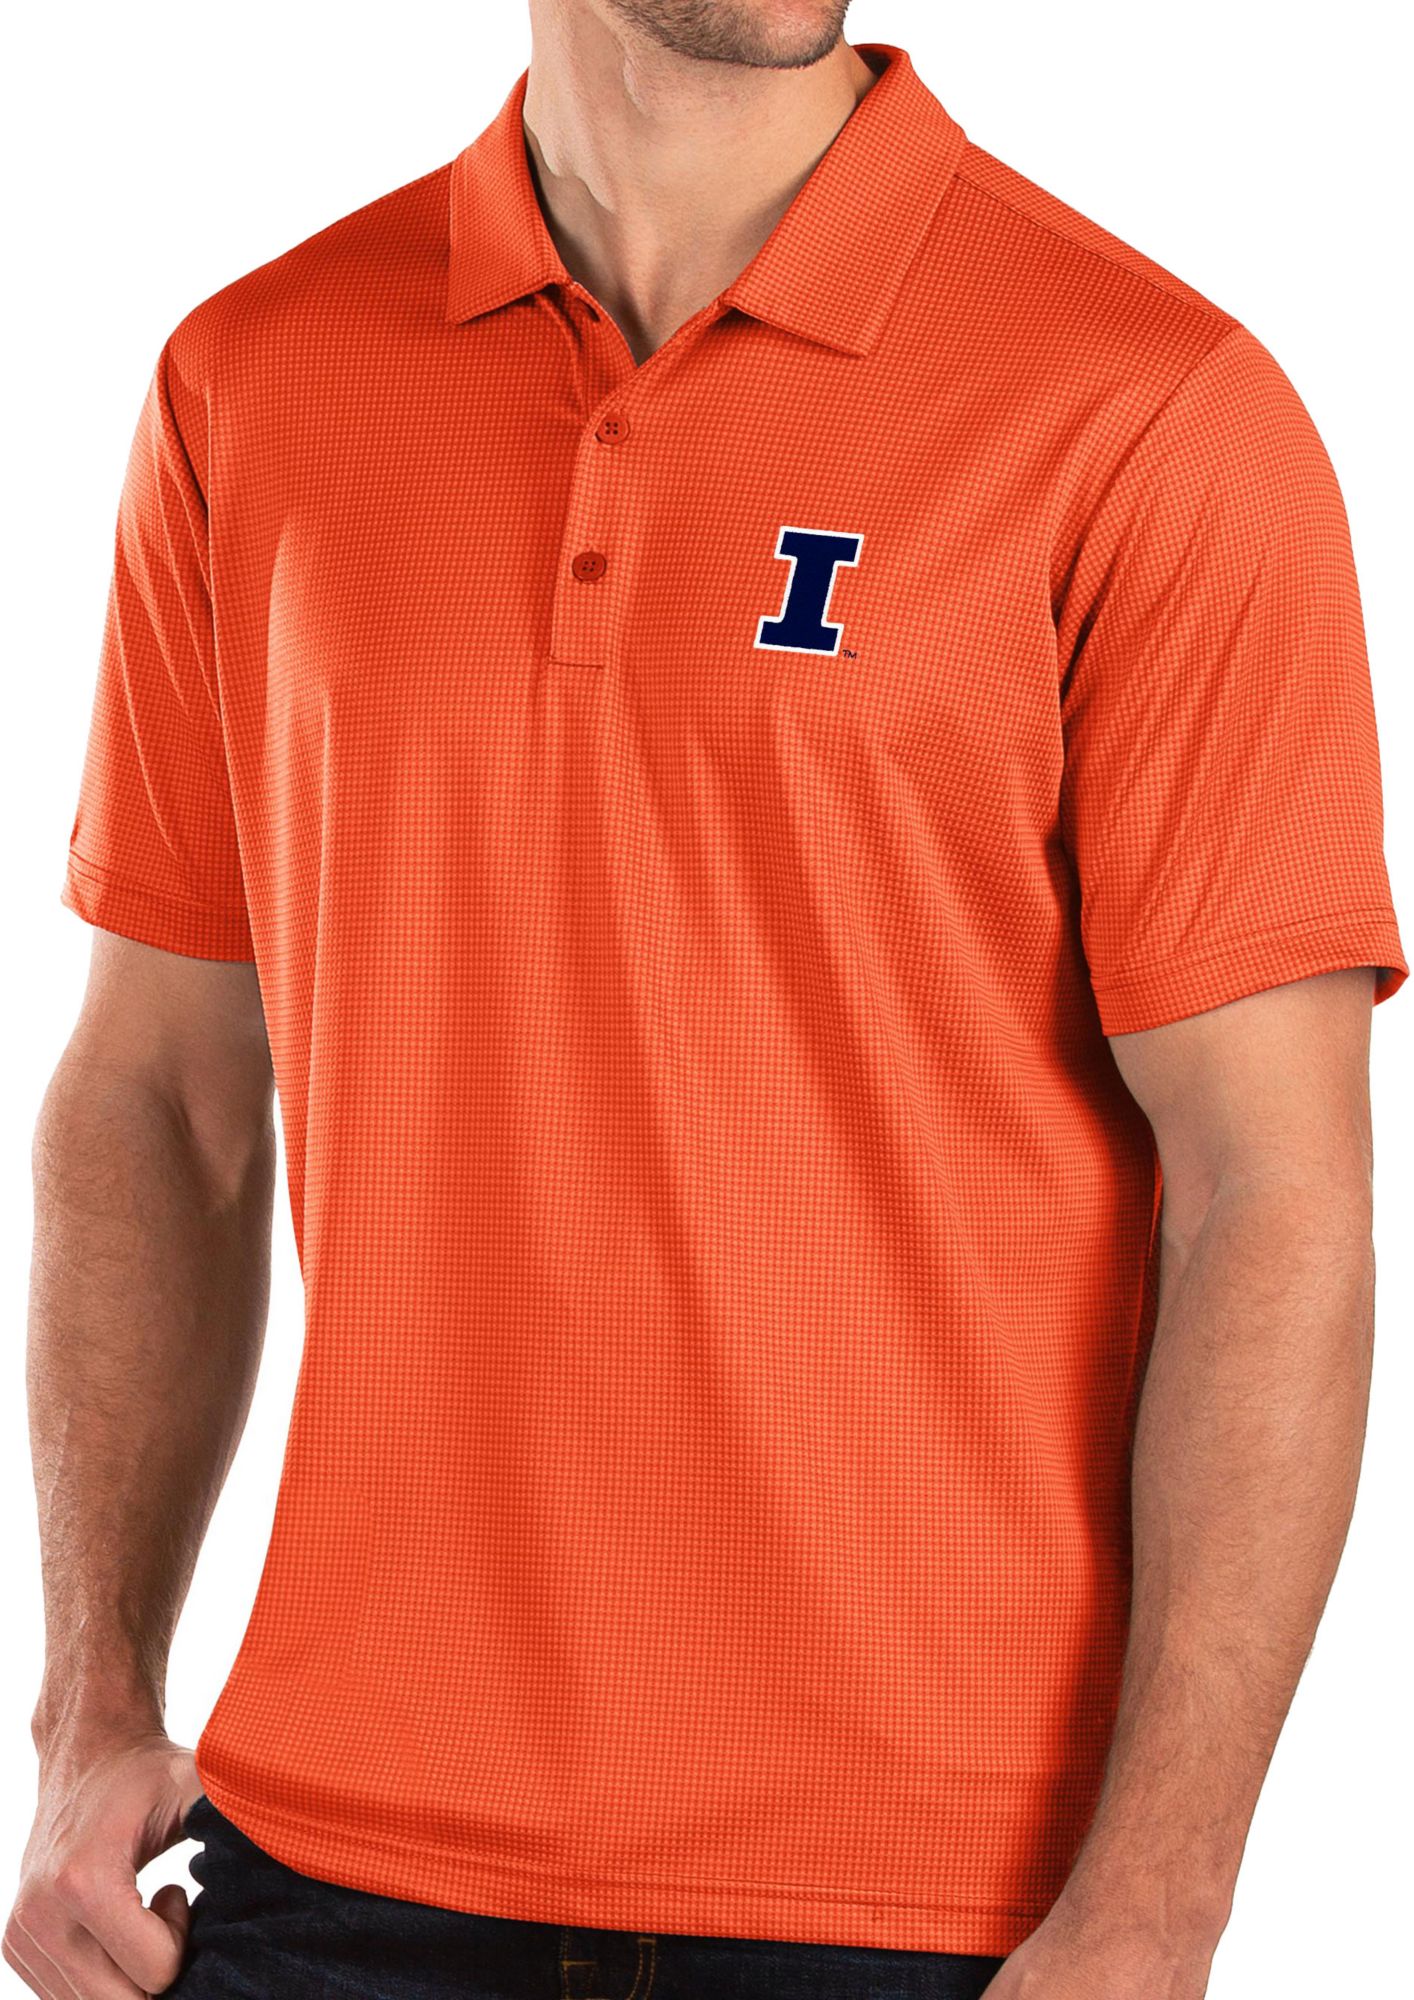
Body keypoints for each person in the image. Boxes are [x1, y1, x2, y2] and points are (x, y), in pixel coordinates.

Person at [7, 1, 1405, 1996]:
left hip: (929, 1910)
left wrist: (1154, 1903)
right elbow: (158, 1090)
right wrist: (85, 1701)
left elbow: (1274, 1196)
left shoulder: (1144, 405)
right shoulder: (253, 377)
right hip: (328, 1864)